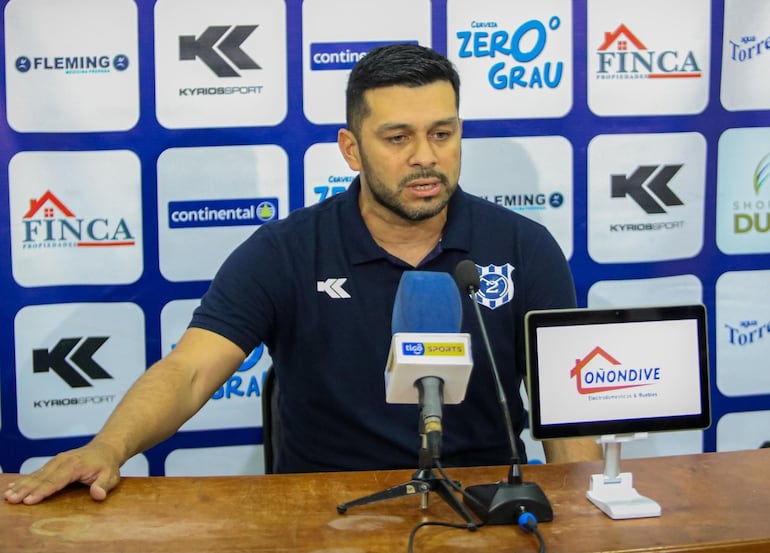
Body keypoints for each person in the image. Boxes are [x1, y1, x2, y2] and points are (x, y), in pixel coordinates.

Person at [4, 43, 600, 505]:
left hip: (485, 501)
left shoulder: (525, 245)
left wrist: (584, 511)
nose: (425, 156)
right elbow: (189, 371)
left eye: (441, 134)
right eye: (398, 138)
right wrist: (109, 447)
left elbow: (565, 415)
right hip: (326, 509)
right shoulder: (287, 250)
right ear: (350, 149)